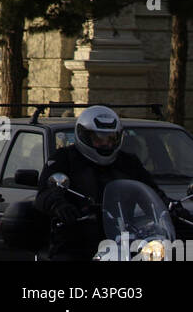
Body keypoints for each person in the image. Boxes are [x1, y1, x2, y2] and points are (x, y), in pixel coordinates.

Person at [35, 106, 173, 261]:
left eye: (110, 138)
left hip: (124, 237)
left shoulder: (128, 162)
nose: (106, 144)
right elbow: (45, 193)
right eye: (99, 139)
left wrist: (169, 207)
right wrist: (59, 206)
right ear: (84, 135)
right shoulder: (64, 159)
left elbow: (150, 190)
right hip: (77, 238)